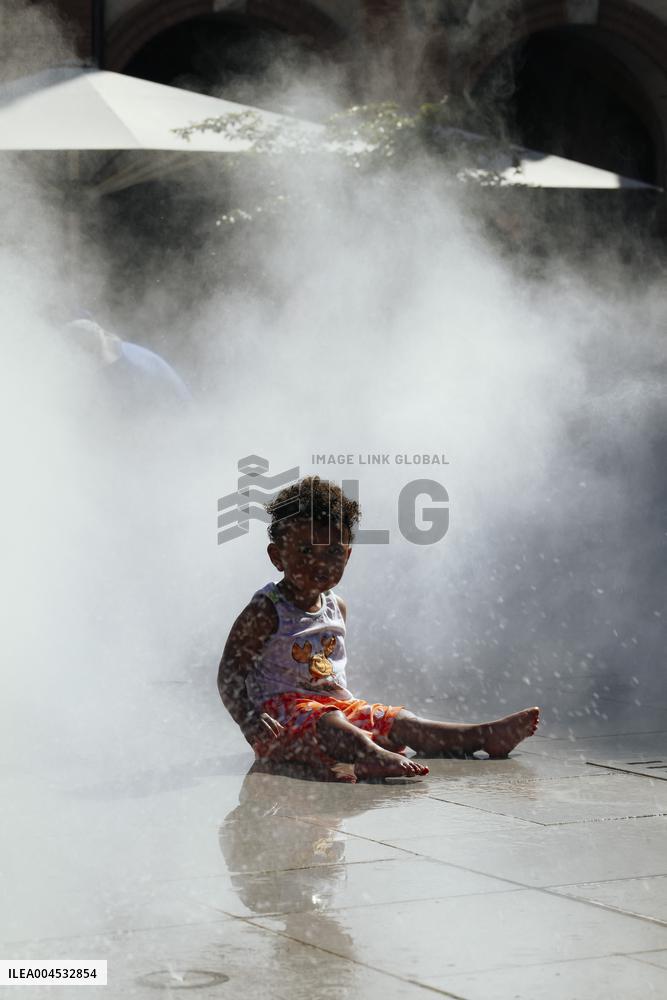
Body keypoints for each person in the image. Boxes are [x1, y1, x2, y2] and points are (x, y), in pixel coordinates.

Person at [217, 476, 540, 783]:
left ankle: (480, 736)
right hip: (280, 728)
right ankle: (370, 754)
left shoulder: (335, 607)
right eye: (305, 551)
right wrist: (248, 719)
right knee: (332, 723)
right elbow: (230, 672)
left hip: (337, 711)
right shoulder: (266, 609)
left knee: (401, 721)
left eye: (332, 552)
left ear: (348, 555)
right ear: (277, 557)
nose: (319, 563)